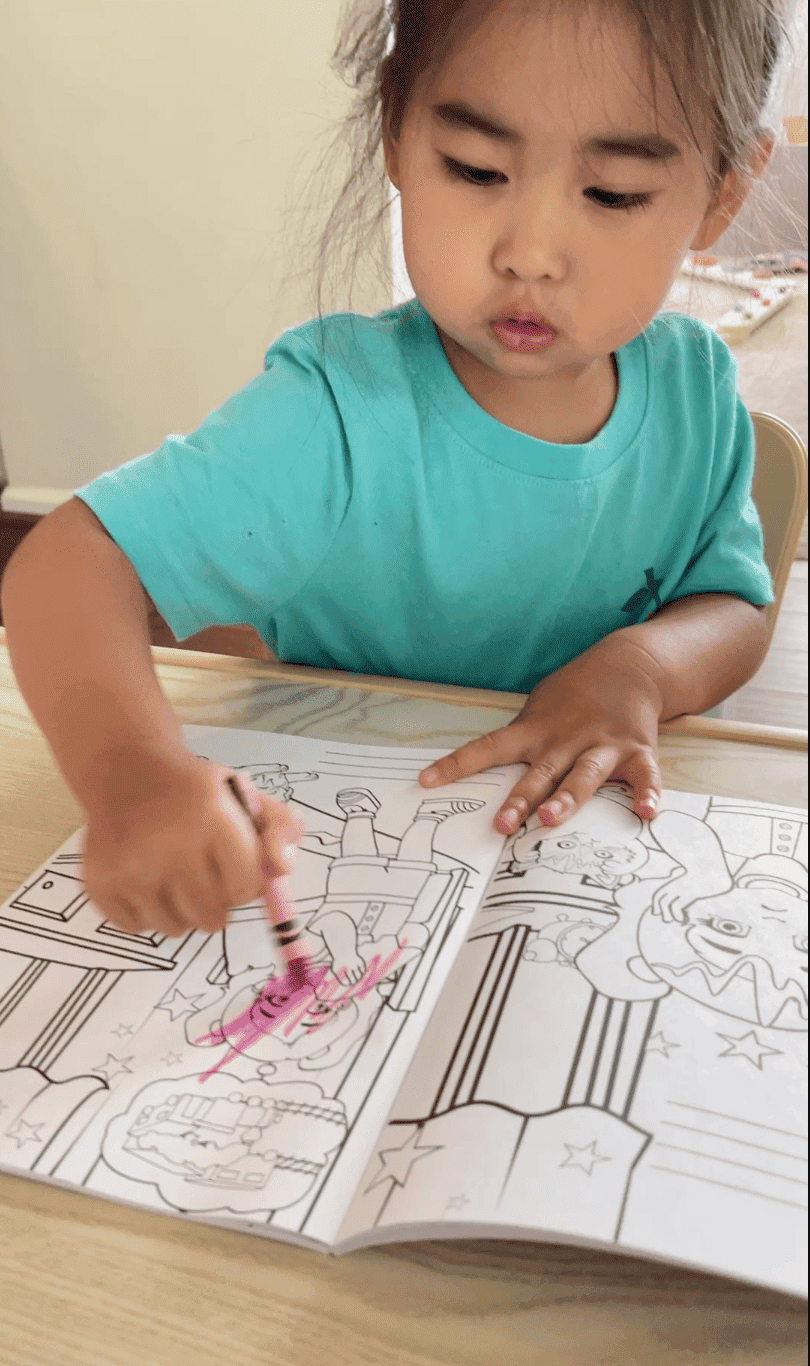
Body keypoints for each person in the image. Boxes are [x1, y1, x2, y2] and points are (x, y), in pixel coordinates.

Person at [1, 0, 791, 942]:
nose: (530, 254)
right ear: (396, 133)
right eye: (475, 170)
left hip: (572, 881)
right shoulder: (338, 411)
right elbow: (67, 566)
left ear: (723, 194)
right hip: (332, 864)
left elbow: (734, 603)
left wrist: (642, 667)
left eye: (613, 192)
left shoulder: (698, 395)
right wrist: (131, 777)